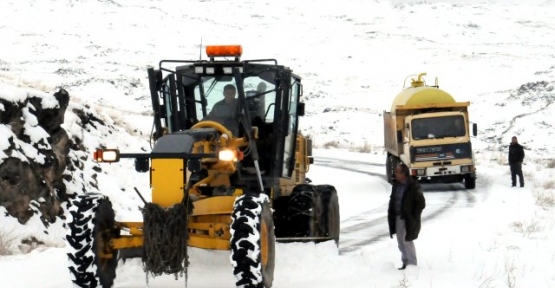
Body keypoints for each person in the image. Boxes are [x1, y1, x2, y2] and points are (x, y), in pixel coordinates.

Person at [387, 163, 426, 270]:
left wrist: (413, 216)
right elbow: (393, 200)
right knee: (400, 241)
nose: (395, 174)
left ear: (403, 174)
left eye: (397, 172)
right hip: (398, 217)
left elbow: (421, 203)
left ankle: (412, 264)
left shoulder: (413, 186)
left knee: (407, 240)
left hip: (408, 218)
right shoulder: (396, 185)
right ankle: (405, 262)